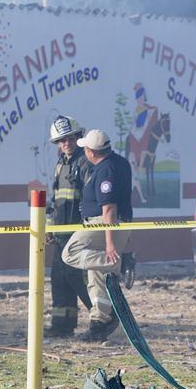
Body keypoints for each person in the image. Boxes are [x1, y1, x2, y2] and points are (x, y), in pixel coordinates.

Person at [61, 129, 133, 342]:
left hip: (102, 224)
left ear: (92, 152)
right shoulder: (120, 163)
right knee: (96, 275)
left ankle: (115, 263)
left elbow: (109, 209)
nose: (83, 151)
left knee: (70, 253)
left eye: (85, 148)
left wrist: (111, 245)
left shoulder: (105, 171)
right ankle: (100, 321)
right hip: (115, 224)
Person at [43, 116, 92, 338]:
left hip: (78, 233)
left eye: (69, 138)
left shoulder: (84, 162)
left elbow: (91, 199)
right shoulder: (61, 164)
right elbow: (56, 201)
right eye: (61, 140)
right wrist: (50, 229)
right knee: (60, 279)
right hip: (61, 233)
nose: (66, 144)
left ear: (78, 137)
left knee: (78, 278)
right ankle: (62, 324)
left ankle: (101, 318)